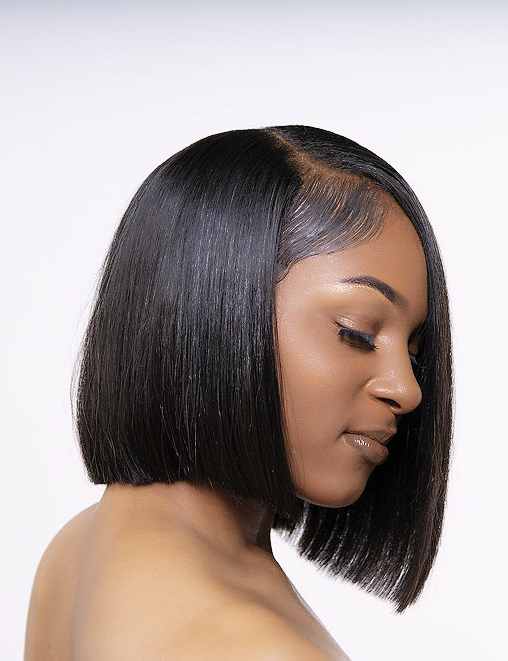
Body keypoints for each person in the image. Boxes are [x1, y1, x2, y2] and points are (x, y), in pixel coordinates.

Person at [24, 125, 454, 659]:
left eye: (413, 351)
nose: (407, 390)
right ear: (214, 308)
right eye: (358, 332)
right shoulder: (252, 644)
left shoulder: (77, 552)